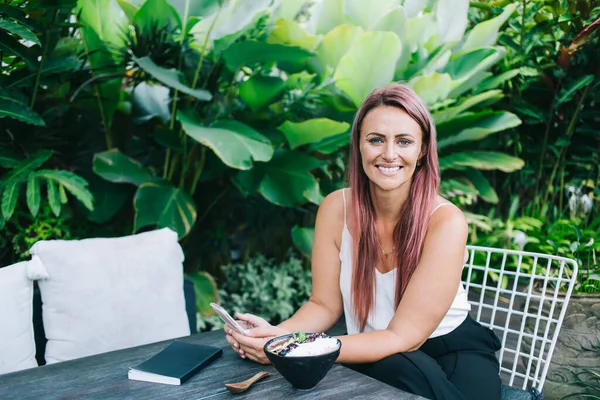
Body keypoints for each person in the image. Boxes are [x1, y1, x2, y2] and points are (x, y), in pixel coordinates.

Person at [224, 83, 502, 400]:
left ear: (422, 149)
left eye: (404, 141)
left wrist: (297, 348)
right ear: (359, 145)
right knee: (390, 369)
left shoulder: (445, 222)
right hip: (379, 353)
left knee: (401, 369)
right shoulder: (335, 209)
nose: (389, 154)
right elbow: (323, 305)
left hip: (450, 350)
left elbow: (403, 337)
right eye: (376, 140)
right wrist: (277, 337)